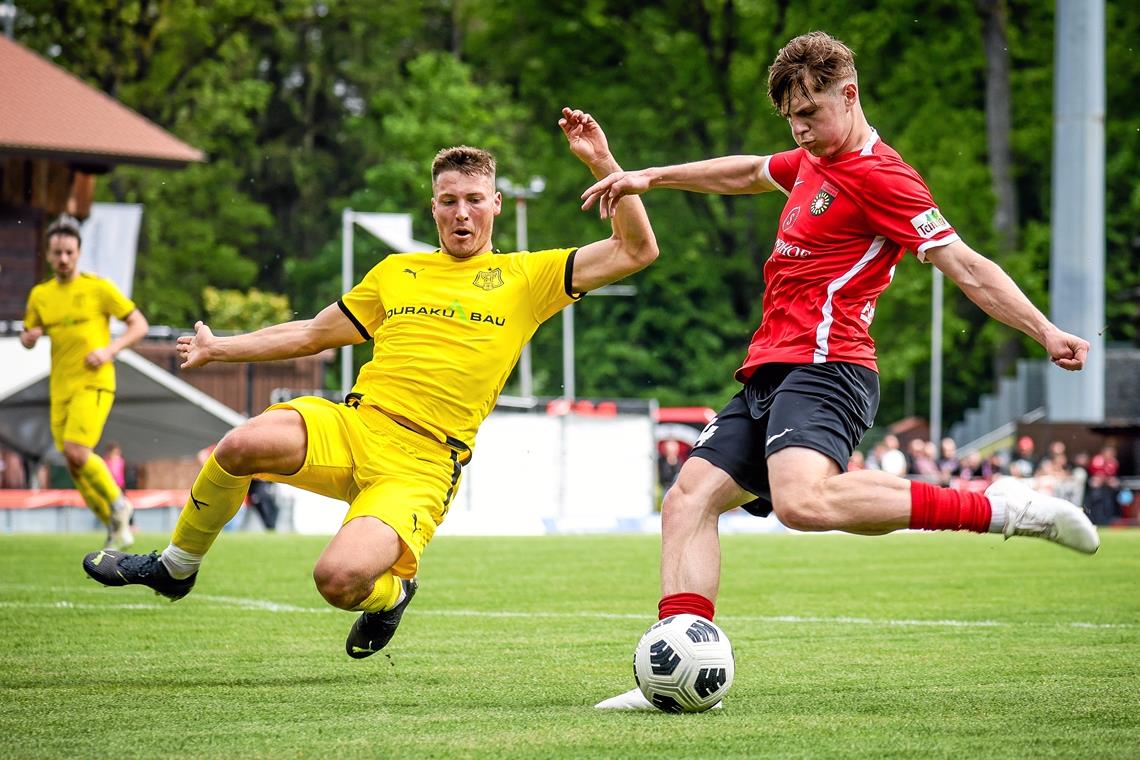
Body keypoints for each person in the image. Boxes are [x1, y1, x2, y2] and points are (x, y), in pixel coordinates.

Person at [582, 32, 1100, 710]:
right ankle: (672, 669)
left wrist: (1044, 328)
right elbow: (744, 173)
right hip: (769, 371)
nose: (801, 130)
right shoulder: (810, 162)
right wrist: (651, 176)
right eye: (791, 119)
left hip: (832, 367)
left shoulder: (884, 177)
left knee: (801, 503)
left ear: (848, 95)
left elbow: (967, 266)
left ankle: (1003, 509)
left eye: (811, 113)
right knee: (687, 500)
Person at [82, 107, 659, 658]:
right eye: (449, 201)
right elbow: (313, 333)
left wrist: (605, 164)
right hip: (356, 423)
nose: (462, 213)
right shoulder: (396, 272)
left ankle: (394, 594)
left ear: (497, 205)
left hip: (422, 464)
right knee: (241, 444)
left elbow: (637, 249)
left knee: (336, 581)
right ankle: (176, 568)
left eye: (474, 201)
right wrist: (218, 348)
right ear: (433, 207)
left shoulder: (527, 276)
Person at [21, 217, 148, 549]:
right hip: (59, 388)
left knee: (78, 451)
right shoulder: (41, 295)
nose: (63, 259)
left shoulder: (98, 288)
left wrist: (109, 350)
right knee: (75, 465)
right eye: (57, 253)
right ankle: (115, 528)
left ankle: (120, 505)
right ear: (48, 255)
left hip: (94, 383)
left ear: (78, 253)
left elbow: (139, 325)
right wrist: (29, 337)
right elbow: (28, 334)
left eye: (69, 252)